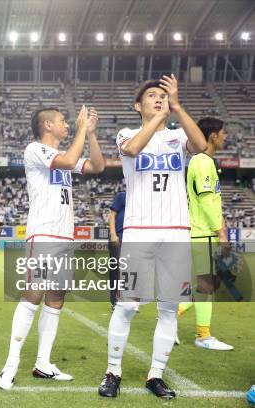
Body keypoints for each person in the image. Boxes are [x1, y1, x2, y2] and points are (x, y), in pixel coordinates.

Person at [98, 75, 207, 399]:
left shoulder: (177, 136)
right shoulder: (127, 133)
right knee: (128, 305)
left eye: (163, 95)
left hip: (175, 231)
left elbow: (201, 146)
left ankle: (155, 375)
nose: (158, 99)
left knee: (169, 308)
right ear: (138, 105)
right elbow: (132, 150)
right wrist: (161, 116)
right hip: (139, 231)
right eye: (152, 96)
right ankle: (113, 371)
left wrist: (178, 107)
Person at [0, 105, 105, 390]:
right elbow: (70, 161)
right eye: (62, 121)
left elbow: (97, 166)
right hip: (43, 234)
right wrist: (82, 129)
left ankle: (43, 363)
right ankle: (10, 364)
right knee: (32, 295)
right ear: (47, 125)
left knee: (56, 299)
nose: (68, 124)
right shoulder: (35, 149)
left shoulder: (61, 155)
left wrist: (90, 134)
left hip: (64, 237)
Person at [177, 117, 233, 351]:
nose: (225, 136)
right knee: (207, 284)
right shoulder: (202, 161)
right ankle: (203, 335)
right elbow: (207, 199)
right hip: (203, 234)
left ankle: (171, 314)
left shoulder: (204, 161)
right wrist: (221, 231)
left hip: (201, 233)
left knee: (208, 284)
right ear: (212, 136)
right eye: (223, 132)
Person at [108, 191, 126, 308]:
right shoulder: (122, 196)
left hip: (134, 239)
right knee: (116, 271)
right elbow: (112, 215)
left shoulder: (142, 198)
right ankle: (115, 300)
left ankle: (128, 299)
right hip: (119, 238)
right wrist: (113, 234)